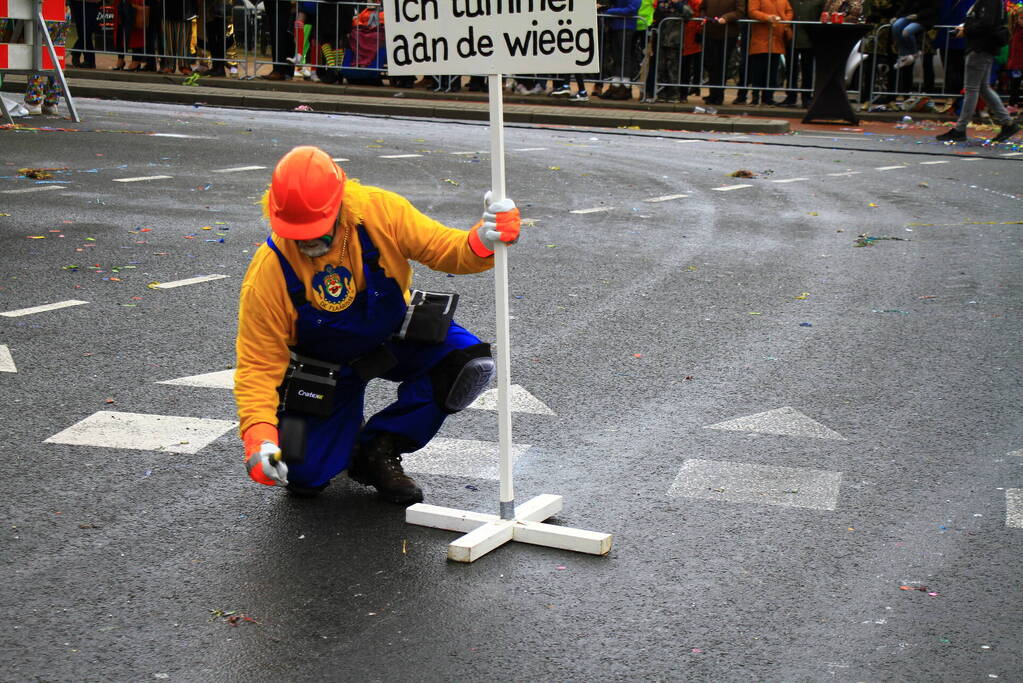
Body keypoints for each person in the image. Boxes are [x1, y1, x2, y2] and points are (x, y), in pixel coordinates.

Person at [235, 146, 522, 504]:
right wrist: (260, 439)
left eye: (316, 229)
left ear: (340, 205)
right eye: (297, 232)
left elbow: (444, 249)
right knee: (301, 476)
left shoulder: (380, 211)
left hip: (391, 336)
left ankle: (378, 449)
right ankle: (339, 434)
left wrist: (483, 240)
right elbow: (258, 367)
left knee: (468, 364)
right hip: (322, 370)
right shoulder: (268, 274)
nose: (308, 241)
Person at [935, 0, 1020, 142]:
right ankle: (1007, 123)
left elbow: (986, 24)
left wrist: (966, 29)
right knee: (983, 88)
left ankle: (960, 129)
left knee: (971, 88)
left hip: (979, 48)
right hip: (984, 47)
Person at [747, 0, 793, 105]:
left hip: (777, 39)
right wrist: (767, 17)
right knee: (758, 71)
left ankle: (768, 98)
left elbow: (789, 11)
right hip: (761, 39)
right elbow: (752, 11)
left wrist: (784, 21)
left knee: (772, 71)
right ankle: (755, 97)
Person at [701, 0, 746, 105]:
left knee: (722, 64)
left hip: (728, 34)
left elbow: (739, 12)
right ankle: (712, 93)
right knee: (711, 64)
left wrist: (726, 18)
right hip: (710, 32)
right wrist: (704, 17)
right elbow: (703, 7)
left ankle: (719, 95)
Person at [779, 0, 823, 107]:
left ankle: (807, 97)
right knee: (791, 70)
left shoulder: (819, 2)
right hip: (791, 39)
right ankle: (790, 97)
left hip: (809, 40)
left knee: (807, 70)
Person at [890, 0, 940, 68]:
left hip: (924, 19)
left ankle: (913, 53)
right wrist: (896, 16)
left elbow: (934, 9)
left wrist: (918, 15)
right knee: (896, 26)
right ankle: (904, 55)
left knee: (906, 32)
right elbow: (906, 5)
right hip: (910, 15)